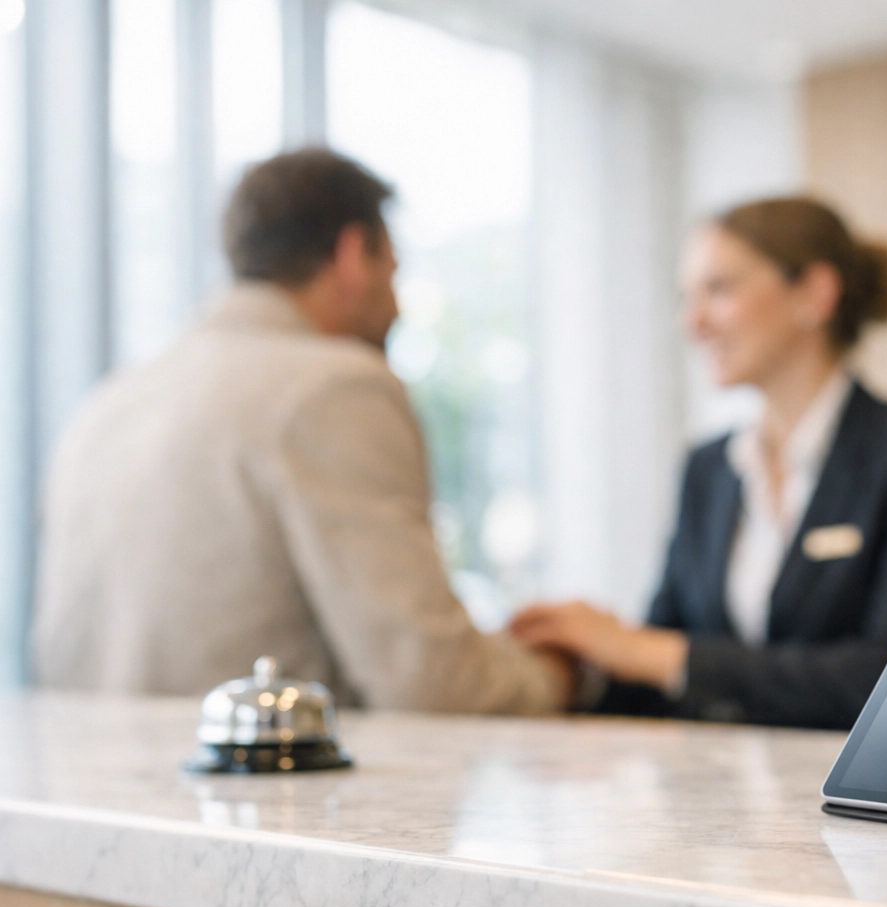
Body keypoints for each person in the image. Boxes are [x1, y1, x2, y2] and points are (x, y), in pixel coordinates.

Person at [32, 148, 570, 713]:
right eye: (393, 272)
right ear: (353, 254)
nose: (397, 304)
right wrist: (564, 672)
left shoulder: (106, 405)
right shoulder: (334, 389)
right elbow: (434, 684)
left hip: (82, 795)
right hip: (255, 796)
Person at [513, 197, 887, 729]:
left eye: (718, 290)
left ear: (813, 294)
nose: (692, 323)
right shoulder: (708, 469)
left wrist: (658, 654)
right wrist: (576, 664)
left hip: (855, 803)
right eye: (687, 297)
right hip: (714, 803)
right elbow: (659, 676)